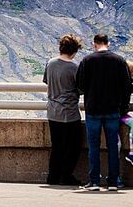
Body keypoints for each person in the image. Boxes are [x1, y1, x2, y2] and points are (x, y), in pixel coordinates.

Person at [75, 33, 132, 191]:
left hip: (93, 109)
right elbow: (126, 86)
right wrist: (123, 106)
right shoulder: (119, 60)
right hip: (113, 110)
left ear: (94, 45)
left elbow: (80, 86)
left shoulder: (87, 60)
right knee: (113, 146)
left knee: (94, 146)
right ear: (108, 43)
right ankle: (113, 181)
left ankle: (94, 181)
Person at [43, 34, 82, 186]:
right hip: (69, 112)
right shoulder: (74, 68)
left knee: (57, 146)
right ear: (74, 50)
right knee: (73, 146)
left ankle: (52, 176)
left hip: (53, 111)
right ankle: (66, 175)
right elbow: (80, 88)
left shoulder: (50, 63)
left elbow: (46, 81)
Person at [116, 60, 133, 187]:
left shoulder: (124, 82)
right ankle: (116, 176)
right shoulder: (128, 83)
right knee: (117, 145)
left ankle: (132, 153)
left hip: (117, 115)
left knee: (117, 145)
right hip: (115, 116)